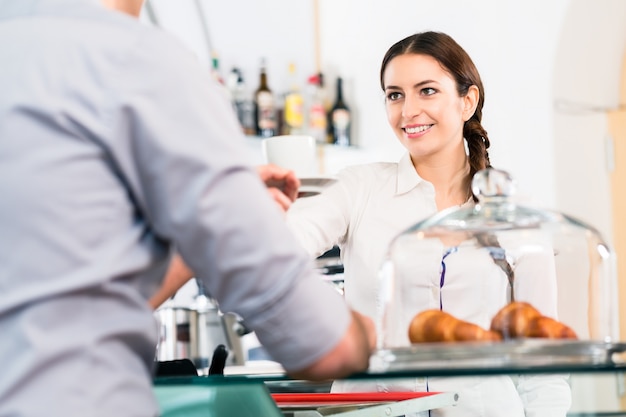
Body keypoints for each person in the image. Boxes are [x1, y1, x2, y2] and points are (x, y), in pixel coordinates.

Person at [0, 0, 376, 416]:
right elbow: (324, 347)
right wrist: (367, 334)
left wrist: (209, 226)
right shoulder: (135, 60)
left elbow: (66, 300)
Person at [285, 31, 571, 416]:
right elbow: (278, 251)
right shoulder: (358, 188)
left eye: (427, 91)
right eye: (395, 95)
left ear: (467, 101)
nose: (408, 111)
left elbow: (543, 364)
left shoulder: (515, 217)